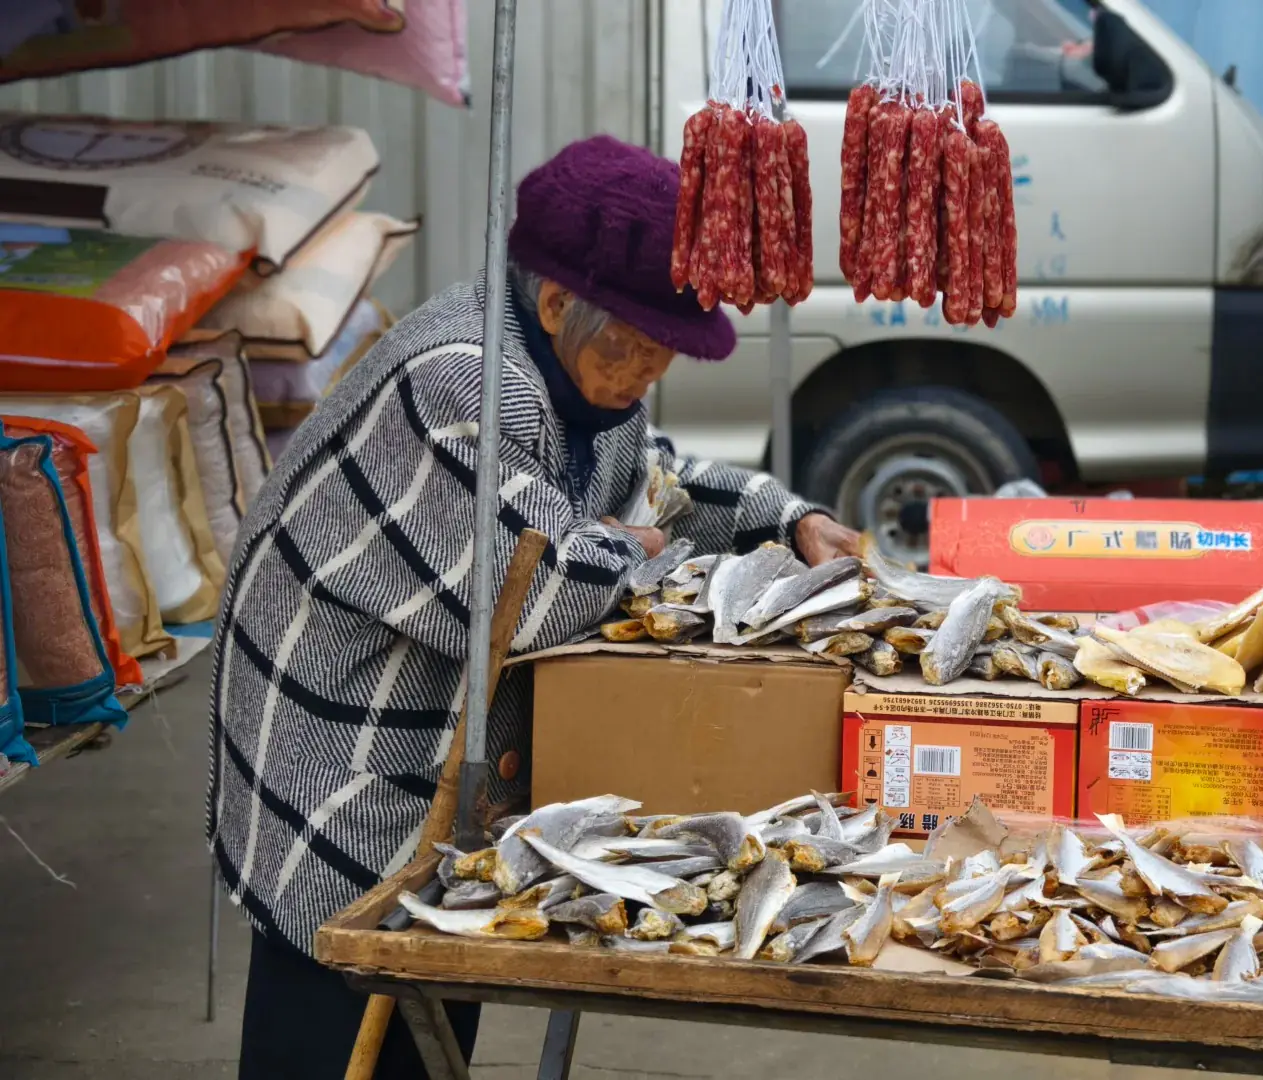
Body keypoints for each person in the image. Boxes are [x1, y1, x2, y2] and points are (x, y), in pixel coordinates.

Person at [209, 134, 860, 1077]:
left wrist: (786, 520)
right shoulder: (464, 383)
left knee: (431, 1011)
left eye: (663, 355)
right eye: (639, 349)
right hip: (349, 764)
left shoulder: (586, 368)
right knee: (345, 1004)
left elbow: (654, 486)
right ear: (557, 303)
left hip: (453, 759)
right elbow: (546, 590)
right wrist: (623, 550)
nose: (648, 376)